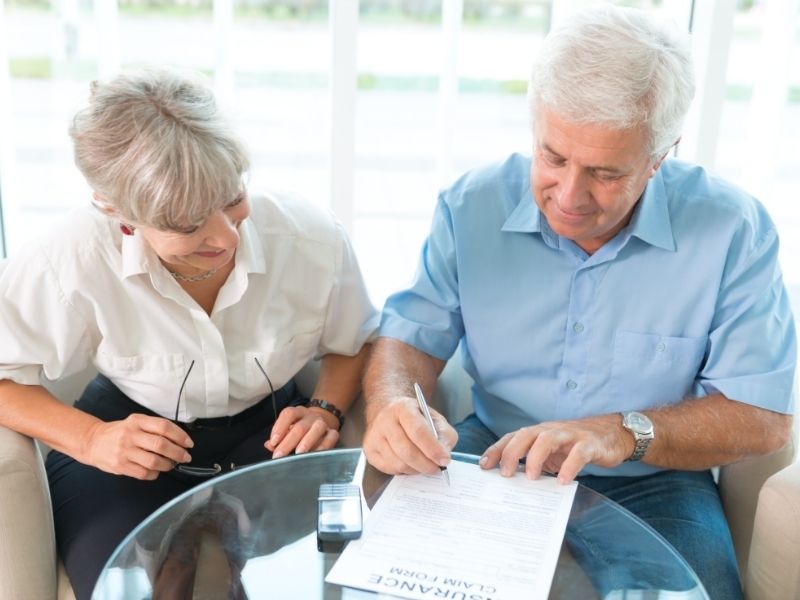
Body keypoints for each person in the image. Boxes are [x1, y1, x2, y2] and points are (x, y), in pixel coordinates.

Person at [362, 5, 795, 599]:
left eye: (605, 173)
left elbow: (764, 416)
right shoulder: (471, 206)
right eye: (554, 157)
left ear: (659, 156)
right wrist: (392, 405)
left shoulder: (732, 231)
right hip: (491, 455)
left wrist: (619, 432)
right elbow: (409, 337)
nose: (569, 196)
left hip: (654, 481)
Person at [0, 68, 377, 599]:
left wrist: (326, 408)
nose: (225, 237)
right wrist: (91, 439)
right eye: (187, 223)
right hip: (123, 446)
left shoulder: (308, 237)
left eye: (232, 199)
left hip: (270, 439)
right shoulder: (66, 260)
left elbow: (353, 341)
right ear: (118, 212)